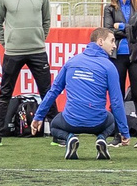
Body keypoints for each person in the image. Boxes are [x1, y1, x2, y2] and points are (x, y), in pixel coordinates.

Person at [36, 28, 129, 159]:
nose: (114, 45)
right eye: (112, 41)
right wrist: (124, 132)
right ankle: (101, 139)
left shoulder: (71, 62)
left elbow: (53, 91)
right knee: (111, 120)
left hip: (71, 122)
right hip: (98, 123)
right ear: (100, 41)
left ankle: (70, 138)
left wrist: (38, 117)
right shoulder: (109, 66)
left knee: (54, 125)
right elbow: (116, 102)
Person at [0, 0, 55, 140]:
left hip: (37, 50)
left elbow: (47, 20)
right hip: (13, 52)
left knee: (47, 91)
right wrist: (7, 43)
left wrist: (40, 38)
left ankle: (59, 133)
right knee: (5, 92)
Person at [98, 0, 137, 138]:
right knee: (116, 95)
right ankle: (118, 133)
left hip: (136, 56)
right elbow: (108, 31)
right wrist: (128, 29)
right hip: (117, 56)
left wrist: (121, 27)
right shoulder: (110, 8)